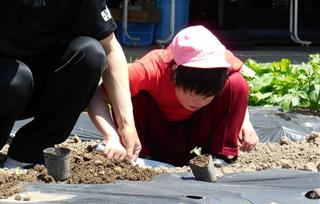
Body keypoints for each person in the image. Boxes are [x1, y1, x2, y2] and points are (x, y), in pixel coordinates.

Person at [88, 25, 259, 166]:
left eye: (208, 96)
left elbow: (239, 87)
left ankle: (220, 157)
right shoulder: (152, 68)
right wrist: (112, 137)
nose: (198, 101)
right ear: (175, 73)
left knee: (237, 83)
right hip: (156, 137)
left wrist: (246, 122)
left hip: (199, 135)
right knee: (126, 92)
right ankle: (141, 157)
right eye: (192, 93)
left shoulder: (219, 61)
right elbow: (98, 96)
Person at [0, 0, 141, 168]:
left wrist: (126, 125)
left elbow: (110, 48)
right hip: (7, 84)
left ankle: (29, 151)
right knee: (18, 78)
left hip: (44, 86)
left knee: (91, 54)